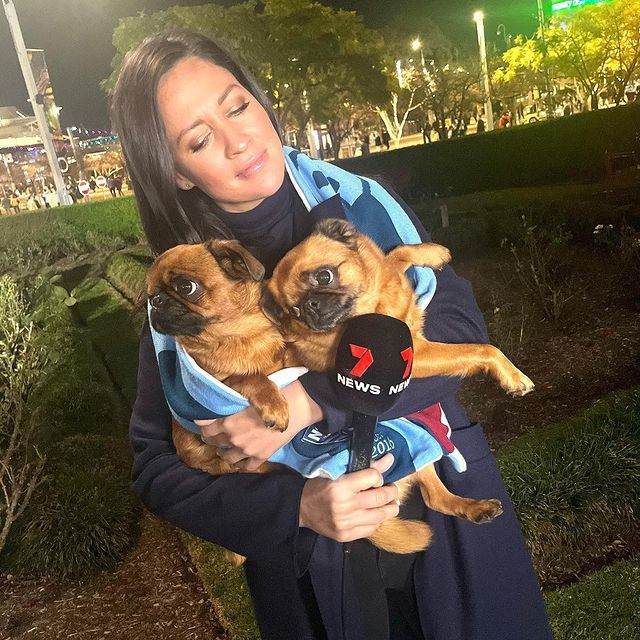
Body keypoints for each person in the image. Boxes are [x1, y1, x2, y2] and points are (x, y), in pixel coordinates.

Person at [111, 31, 552, 640]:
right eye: (199, 140)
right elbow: (157, 469)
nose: (239, 141)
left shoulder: (360, 208)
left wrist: (314, 401)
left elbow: (456, 332)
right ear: (177, 173)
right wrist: (296, 508)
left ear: (259, 99)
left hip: (445, 515)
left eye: (237, 106)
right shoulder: (186, 290)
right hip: (311, 569)